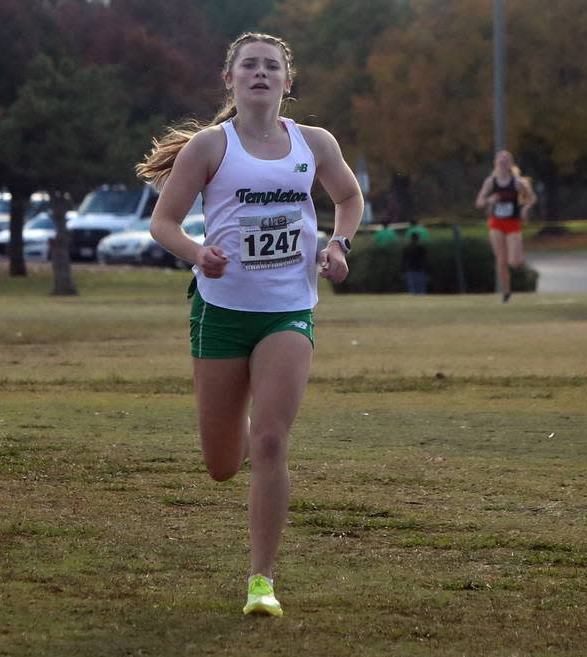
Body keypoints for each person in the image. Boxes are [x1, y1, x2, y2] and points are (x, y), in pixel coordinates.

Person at [138, 32, 362, 618]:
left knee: (269, 440)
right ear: (230, 79)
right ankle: (233, 414)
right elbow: (163, 224)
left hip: (288, 309)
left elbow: (349, 197)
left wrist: (338, 244)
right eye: (248, 66)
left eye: (270, 67)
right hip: (221, 310)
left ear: (287, 82)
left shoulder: (313, 143)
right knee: (220, 464)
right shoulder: (212, 146)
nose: (259, 74)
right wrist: (196, 252)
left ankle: (261, 581)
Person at [474, 150, 537, 302]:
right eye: (500, 161)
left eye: (506, 161)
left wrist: (525, 208)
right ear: (496, 164)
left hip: (513, 223)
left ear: (510, 164)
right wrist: (490, 200)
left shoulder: (517, 183)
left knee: (514, 262)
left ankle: (516, 264)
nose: (502, 164)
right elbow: (479, 202)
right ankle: (506, 292)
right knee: (501, 260)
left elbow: (531, 198)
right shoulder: (490, 182)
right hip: (496, 223)